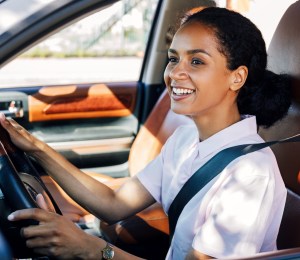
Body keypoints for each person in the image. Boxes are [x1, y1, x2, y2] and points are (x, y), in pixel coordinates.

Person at [0, 7, 291, 260]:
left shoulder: (250, 173)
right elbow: (114, 203)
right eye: (173, 58)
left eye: (197, 61)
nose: (175, 73)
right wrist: (36, 148)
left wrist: (91, 248)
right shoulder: (186, 139)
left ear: (236, 77)